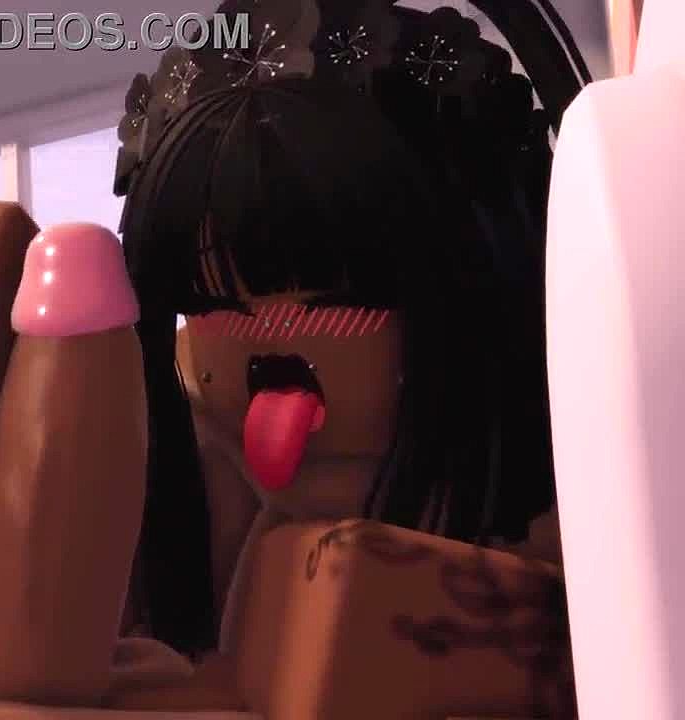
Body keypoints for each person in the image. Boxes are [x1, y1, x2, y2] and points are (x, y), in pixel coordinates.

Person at [114, 0, 592, 657]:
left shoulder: (573, 534)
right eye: (212, 304)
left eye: (342, 302)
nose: (269, 345)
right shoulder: (198, 490)